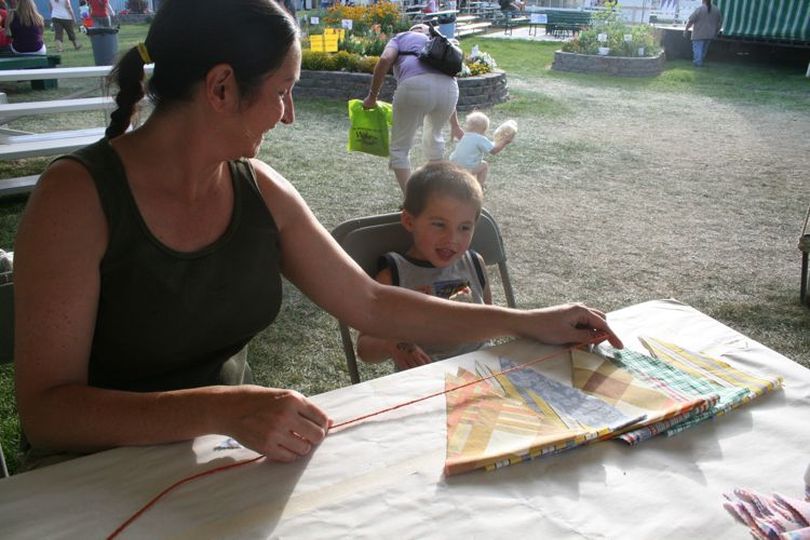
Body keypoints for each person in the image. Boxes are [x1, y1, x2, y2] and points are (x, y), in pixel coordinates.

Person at [13, 0, 622, 471]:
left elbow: (371, 303)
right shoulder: (77, 198)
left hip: (218, 457)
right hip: (96, 478)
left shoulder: (259, 189)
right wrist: (222, 408)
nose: (289, 115)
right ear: (221, 87)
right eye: (281, 92)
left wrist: (529, 320)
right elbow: (47, 414)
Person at [356, 162, 493, 371]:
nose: (452, 239)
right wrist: (389, 344)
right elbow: (365, 349)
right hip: (423, 383)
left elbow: (489, 322)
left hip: (482, 372)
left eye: (464, 227)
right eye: (439, 224)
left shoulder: (474, 263)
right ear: (410, 221)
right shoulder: (394, 275)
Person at [363, 23, 465, 193]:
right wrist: (454, 124)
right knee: (434, 138)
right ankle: (435, 194)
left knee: (400, 148)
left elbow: (385, 60)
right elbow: (439, 84)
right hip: (450, 89)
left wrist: (372, 96)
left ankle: (413, 200)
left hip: (415, 86)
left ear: (413, 31)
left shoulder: (402, 37)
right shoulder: (439, 43)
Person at [449, 111, 514, 187]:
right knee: (484, 165)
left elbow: (490, 145)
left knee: (471, 161)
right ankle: (479, 186)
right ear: (484, 129)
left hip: (453, 166)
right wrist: (504, 142)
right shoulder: (480, 139)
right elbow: (494, 151)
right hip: (466, 168)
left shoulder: (465, 136)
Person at [684, 0, 723, 68]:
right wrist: (716, 32)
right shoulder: (716, 10)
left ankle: (698, 63)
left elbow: (691, 21)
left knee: (698, 49)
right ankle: (700, 61)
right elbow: (719, 23)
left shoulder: (699, 9)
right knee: (704, 50)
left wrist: (686, 30)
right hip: (710, 34)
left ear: (703, 1)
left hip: (698, 33)